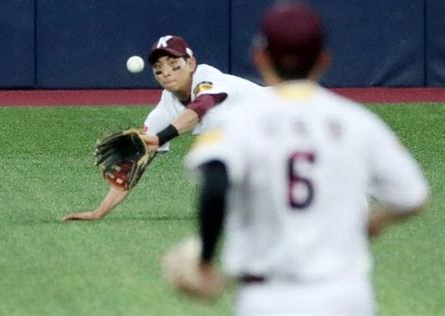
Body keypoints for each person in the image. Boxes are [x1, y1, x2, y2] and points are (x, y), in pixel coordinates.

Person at [168, 3, 429, 315]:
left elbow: (214, 187)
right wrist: (371, 224)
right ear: (323, 60)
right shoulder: (357, 121)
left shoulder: (236, 122)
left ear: (260, 58)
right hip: (346, 296)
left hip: (267, 299)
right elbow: (412, 195)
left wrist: (205, 261)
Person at [63, 35, 264, 221]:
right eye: (158, 67)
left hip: (286, 112)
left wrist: (160, 137)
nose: (165, 72)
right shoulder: (165, 110)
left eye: (173, 64)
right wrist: (98, 212)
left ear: (191, 63)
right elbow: (133, 166)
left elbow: (201, 106)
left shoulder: (205, 77)